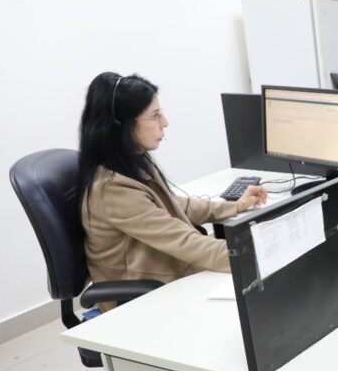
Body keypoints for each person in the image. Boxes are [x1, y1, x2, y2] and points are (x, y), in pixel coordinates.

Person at [77, 72, 266, 305]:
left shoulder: (131, 161)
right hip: (139, 297)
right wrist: (255, 255)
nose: (165, 122)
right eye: (155, 116)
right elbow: (183, 241)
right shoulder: (112, 190)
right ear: (124, 125)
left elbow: (173, 205)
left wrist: (235, 207)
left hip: (163, 269)